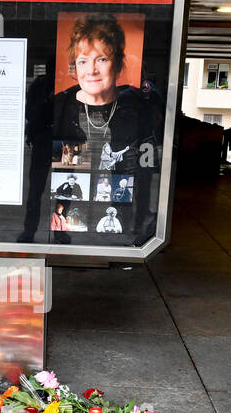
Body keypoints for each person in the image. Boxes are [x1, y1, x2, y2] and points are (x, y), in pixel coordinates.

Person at [49, 14, 162, 243]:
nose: (91, 70)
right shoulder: (62, 103)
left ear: (119, 64)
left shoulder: (134, 102)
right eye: (83, 61)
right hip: (77, 205)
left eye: (101, 59)